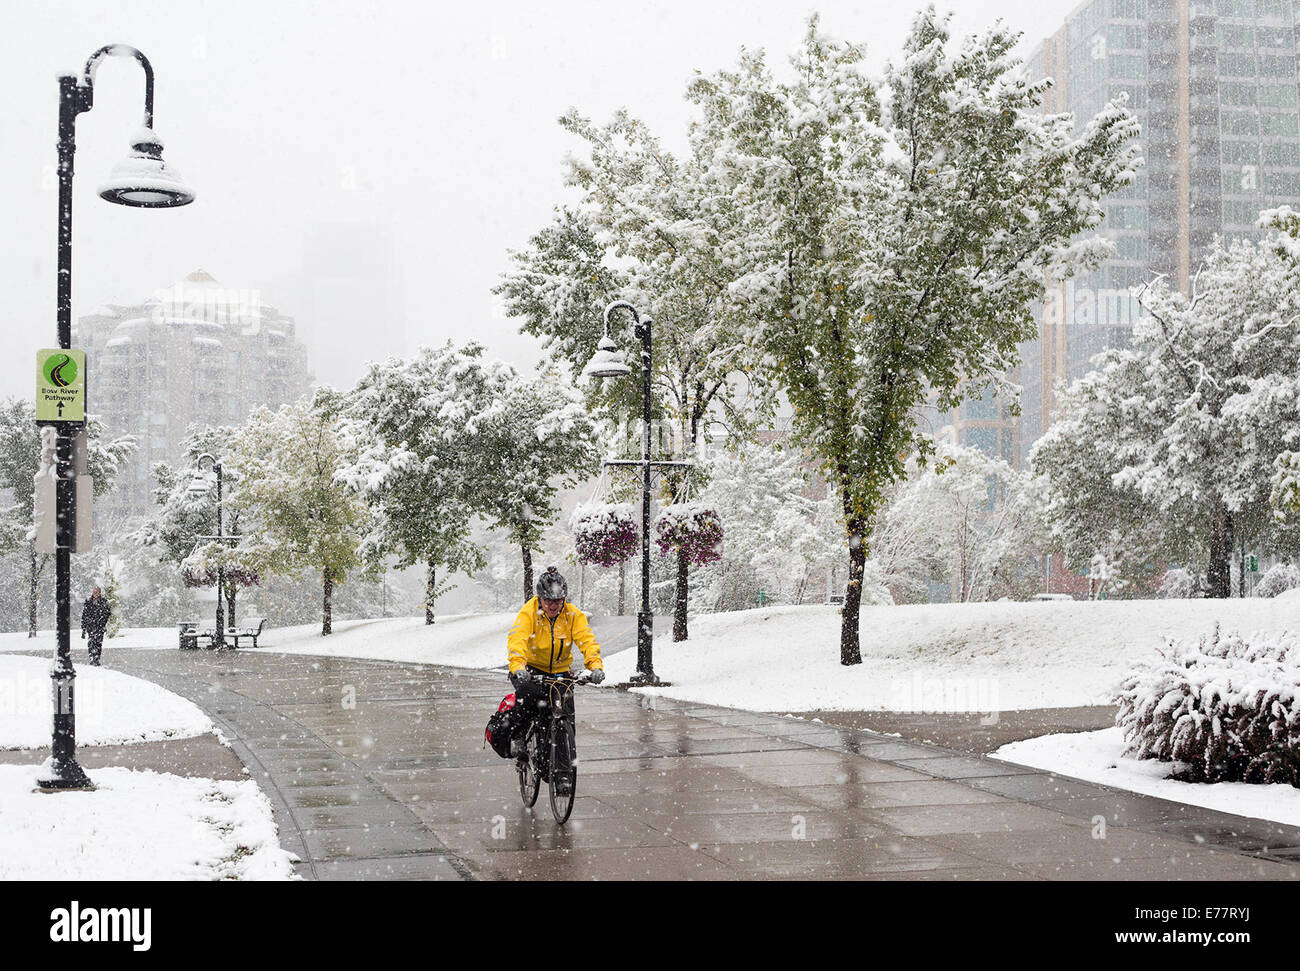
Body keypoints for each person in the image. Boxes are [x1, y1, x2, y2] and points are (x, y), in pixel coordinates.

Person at [506, 566, 604, 795]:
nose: (554, 606)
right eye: (549, 601)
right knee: (529, 702)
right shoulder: (528, 613)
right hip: (531, 670)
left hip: (560, 672)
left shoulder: (572, 615)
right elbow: (517, 639)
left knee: (565, 722)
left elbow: (587, 641)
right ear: (540, 598)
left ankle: (562, 775)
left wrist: (595, 666)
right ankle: (519, 737)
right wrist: (519, 668)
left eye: (558, 601)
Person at [80, 586, 111, 667]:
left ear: (100, 593)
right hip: (91, 627)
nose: (95, 593)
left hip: (100, 627)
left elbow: (107, 613)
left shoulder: (104, 602)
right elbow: (84, 614)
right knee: (91, 643)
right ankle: (92, 658)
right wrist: (84, 626)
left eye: (97, 592)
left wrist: (102, 621)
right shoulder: (88, 602)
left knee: (98, 643)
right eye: (94, 592)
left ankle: (96, 659)